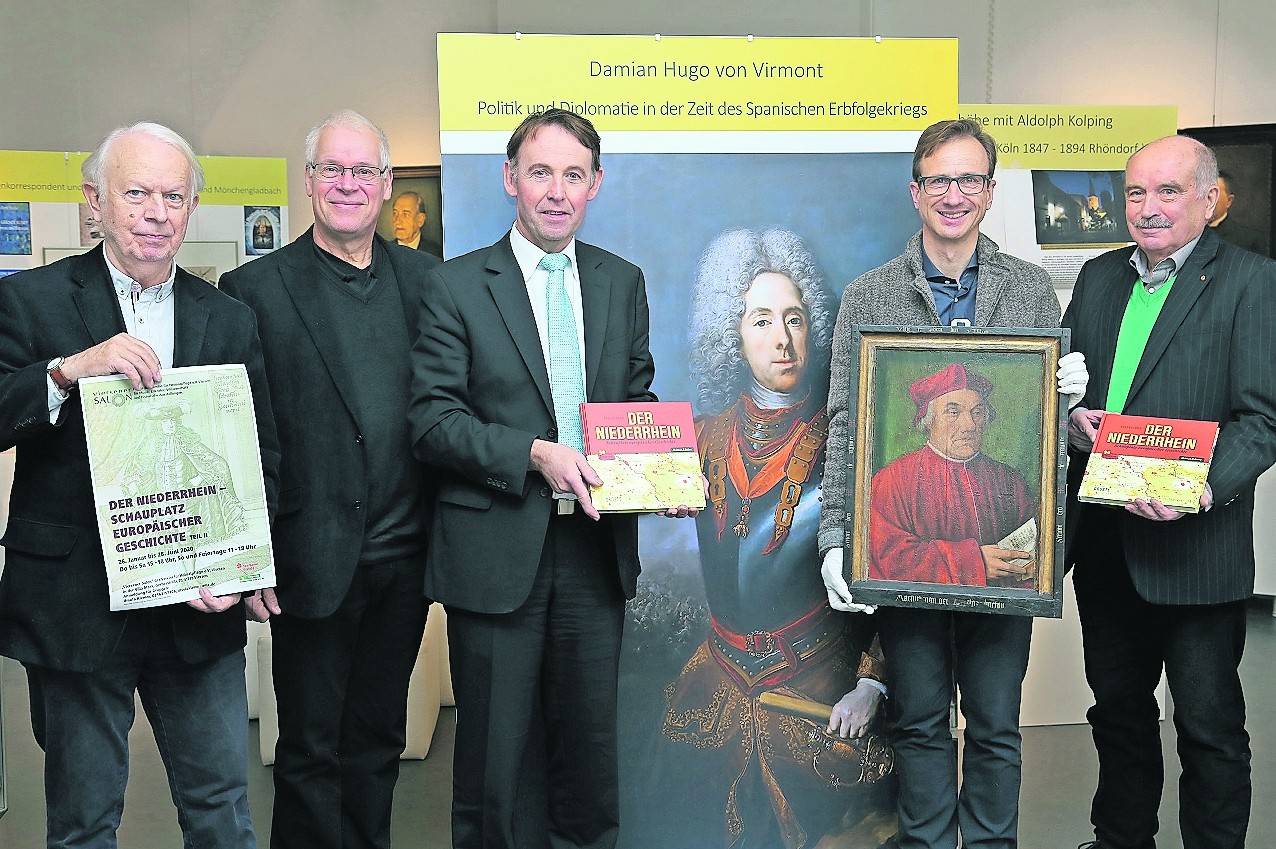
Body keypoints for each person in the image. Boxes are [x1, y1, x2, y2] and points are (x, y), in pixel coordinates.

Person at [409, 108, 693, 849]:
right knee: (495, 770)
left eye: (574, 174)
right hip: (496, 553)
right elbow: (433, 421)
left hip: (594, 553)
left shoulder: (620, 281)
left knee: (588, 763)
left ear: (596, 184)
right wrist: (534, 453)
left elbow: (633, 401)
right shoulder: (456, 285)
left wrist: (661, 471)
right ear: (511, 179)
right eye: (541, 173)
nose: (557, 191)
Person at [0, 121, 279, 849]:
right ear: (94, 202)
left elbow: (259, 454)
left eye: (173, 196)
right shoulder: (30, 300)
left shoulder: (229, 318)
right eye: (136, 194)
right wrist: (68, 371)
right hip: (77, 603)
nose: (156, 213)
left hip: (199, 604)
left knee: (222, 811)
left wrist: (244, 566)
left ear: (192, 209)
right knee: (84, 820)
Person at [819, 118, 1088, 849]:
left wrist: (1065, 405)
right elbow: (845, 425)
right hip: (905, 578)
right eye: (939, 179)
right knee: (919, 721)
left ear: (990, 191)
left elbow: (1042, 447)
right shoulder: (869, 295)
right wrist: (837, 535)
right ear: (916, 191)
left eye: (969, 179)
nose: (954, 194)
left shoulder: (1029, 290)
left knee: (996, 725)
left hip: (1005, 585)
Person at [219, 110, 439, 849]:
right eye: (332, 170)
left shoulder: (427, 282)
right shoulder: (253, 289)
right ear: (310, 181)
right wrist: (247, 558)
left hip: (402, 563)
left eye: (363, 171)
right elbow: (239, 438)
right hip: (306, 561)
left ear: (386, 183)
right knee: (309, 752)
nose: (348, 184)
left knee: (378, 742)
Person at [1063, 135, 1276, 849]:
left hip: (1197, 548)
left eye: (1168, 191)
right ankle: (1121, 839)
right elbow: (1071, 388)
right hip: (1105, 542)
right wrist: (1071, 418)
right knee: (1117, 713)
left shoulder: (1252, 281)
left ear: (1209, 200)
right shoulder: (1098, 276)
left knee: (1208, 727)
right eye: (1135, 192)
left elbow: (1263, 418)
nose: (1147, 207)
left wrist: (1201, 488)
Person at [661, 229, 892, 849]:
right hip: (716, 681)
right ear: (731, 334)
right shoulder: (700, 437)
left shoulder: (849, 436)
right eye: (761, 320)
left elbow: (897, 565)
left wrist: (872, 681)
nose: (782, 340)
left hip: (821, 683)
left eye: (795, 319)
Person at [869, 364, 1036, 588]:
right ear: (928, 421)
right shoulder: (892, 480)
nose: (969, 425)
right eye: (953, 412)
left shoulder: (1010, 481)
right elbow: (889, 559)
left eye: (977, 412)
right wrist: (973, 563)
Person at [1208, 169, 1267, 256]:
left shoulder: (1248, 240)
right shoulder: (1190, 234)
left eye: (1215, 194)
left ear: (1229, 201)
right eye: (1206, 193)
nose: (1208, 200)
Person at [391, 190, 443, 258]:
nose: (397, 221)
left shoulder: (436, 252)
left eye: (405, 214)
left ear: (420, 220)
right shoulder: (384, 251)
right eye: (395, 213)